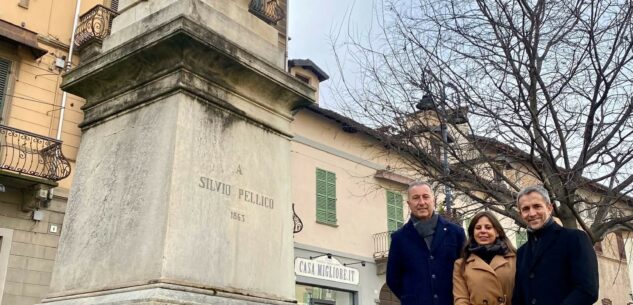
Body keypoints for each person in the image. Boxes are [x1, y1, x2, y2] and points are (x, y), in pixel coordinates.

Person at [512, 185, 599, 305]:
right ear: (521, 214)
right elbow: (519, 296)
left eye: (537, 206)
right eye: (526, 209)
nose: (532, 213)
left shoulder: (575, 239)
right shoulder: (522, 252)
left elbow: (588, 290)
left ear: (549, 208)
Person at [386, 181, 466, 305]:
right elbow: (393, 279)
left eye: (425, 197)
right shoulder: (399, 238)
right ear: (409, 204)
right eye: (416, 198)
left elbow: (465, 271)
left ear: (433, 200)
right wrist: (411, 298)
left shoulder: (456, 233)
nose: (422, 202)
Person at [453, 211, 516, 305]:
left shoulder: (514, 258)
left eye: (488, 227)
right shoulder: (461, 265)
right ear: (473, 233)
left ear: (497, 232)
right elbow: (461, 300)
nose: (483, 231)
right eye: (478, 228)